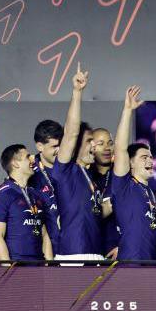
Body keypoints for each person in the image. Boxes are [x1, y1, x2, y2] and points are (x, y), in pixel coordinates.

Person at [50, 64, 106, 260]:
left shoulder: (91, 176)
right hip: (73, 255)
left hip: (96, 255)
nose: (95, 145)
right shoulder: (65, 170)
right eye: (89, 140)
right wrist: (77, 92)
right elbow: (72, 132)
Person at [110, 86, 156, 260]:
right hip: (131, 265)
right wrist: (128, 110)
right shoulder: (124, 186)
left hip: (152, 267)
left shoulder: (151, 193)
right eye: (144, 157)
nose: (150, 160)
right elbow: (121, 147)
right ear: (130, 163)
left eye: (151, 157)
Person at [0, 144, 51, 260]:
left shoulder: (35, 194)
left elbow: (45, 234)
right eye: (28, 157)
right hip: (16, 267)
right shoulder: (0, 195)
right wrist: (8, 269)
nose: (33, 159)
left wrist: (49, 266)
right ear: (15, 163)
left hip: (39, 266)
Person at [32, 119, 63, 250]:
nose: (60, 150)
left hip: (74, 247)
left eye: (61, 145)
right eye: (54, 146)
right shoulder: (29, 175)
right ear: (40, 146)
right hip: (46, 252)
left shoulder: (72, 168)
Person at [90, 126, 118, 259]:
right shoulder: (83, 176)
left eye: (110, 143)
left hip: (116, 252)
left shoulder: (122, 176)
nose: (107, 148)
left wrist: (124, 246)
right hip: (89, 253)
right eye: (101, 144)